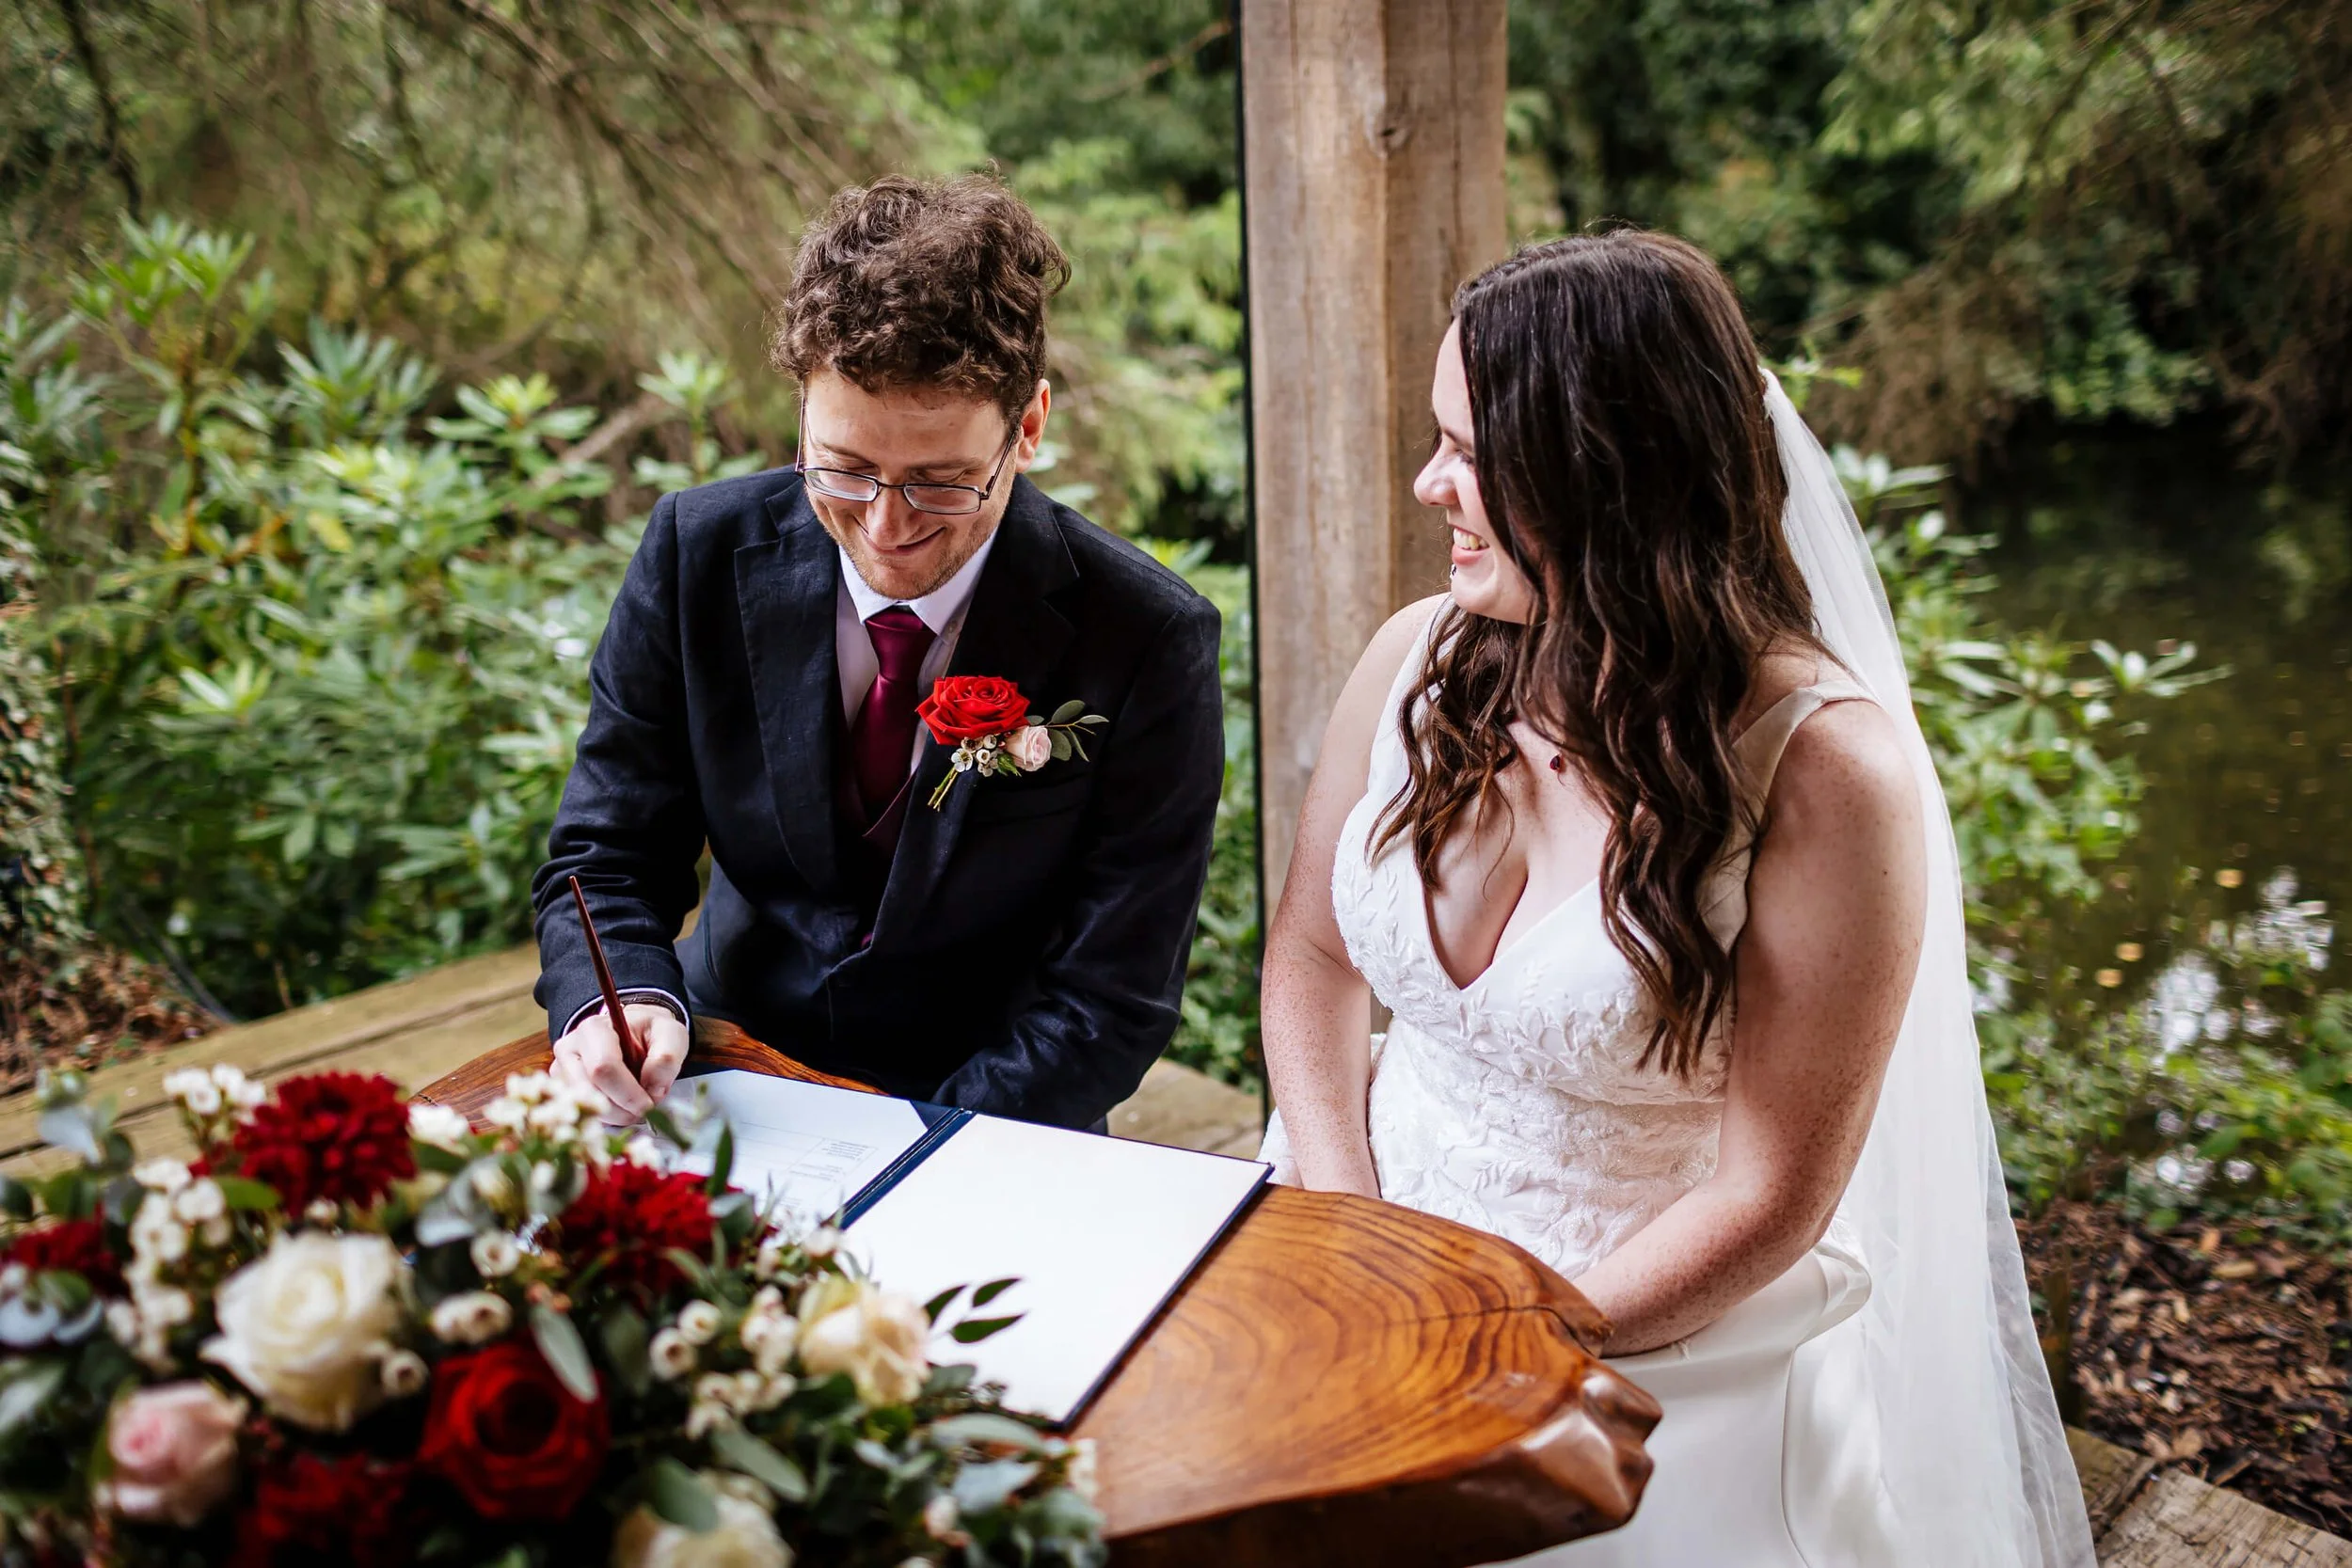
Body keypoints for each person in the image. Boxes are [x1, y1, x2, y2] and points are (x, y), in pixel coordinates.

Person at [1259, 231, 2093, 1565]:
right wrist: (1351, 1232)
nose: (1431, 485)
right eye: (1438, 438)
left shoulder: (1825, 774)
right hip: (1354, 1226)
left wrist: (1497, 1347)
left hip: (1636, 1330)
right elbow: (1309, 957)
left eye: (1472, 453)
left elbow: (1773, 1190)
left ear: (1603, 471)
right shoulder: (1414, 658)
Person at [532, 173, 1224, 1131]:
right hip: (721, 1076)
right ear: (801, 414)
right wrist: (625, 1001)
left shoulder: (1145, 635)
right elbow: (606, 855)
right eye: (846, 469)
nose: (885, 526)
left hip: (996, 1118)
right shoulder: (696, 554)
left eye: (940, 482)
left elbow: (1111, 996)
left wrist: (921, 1146)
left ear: (1026, 429)